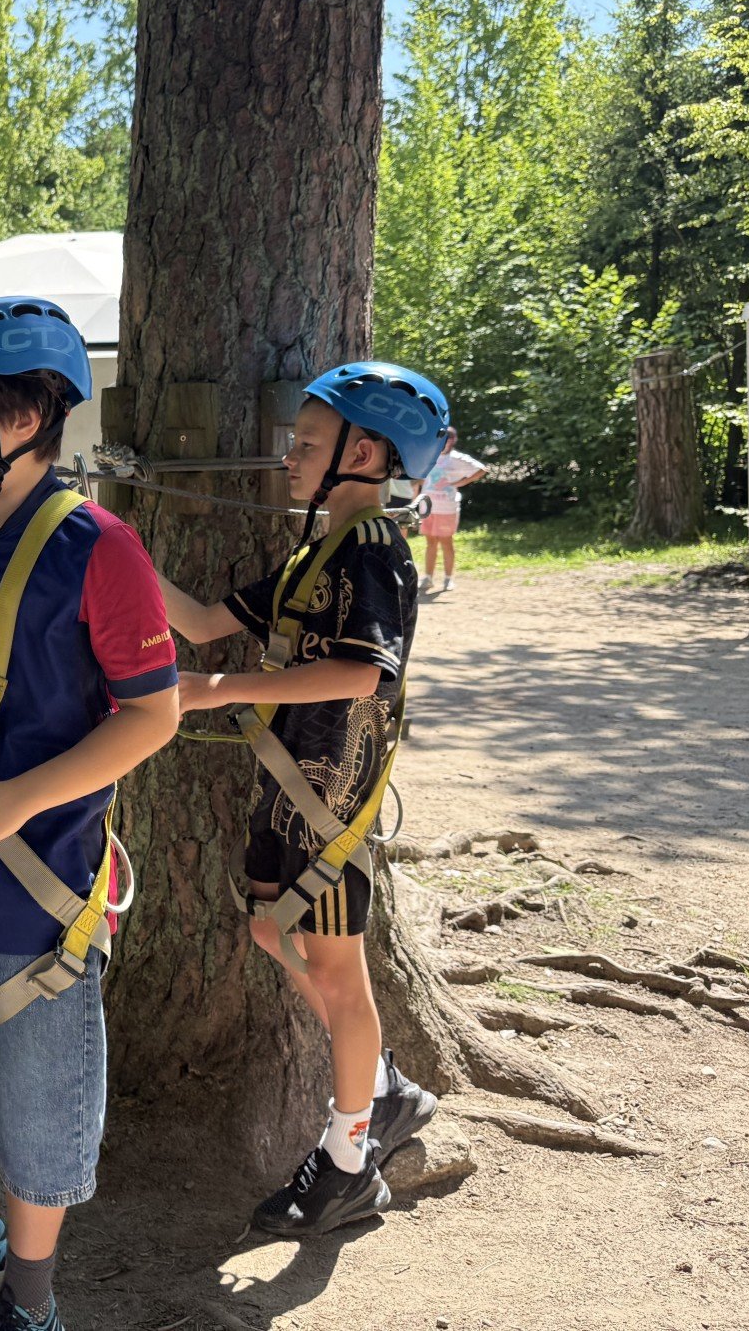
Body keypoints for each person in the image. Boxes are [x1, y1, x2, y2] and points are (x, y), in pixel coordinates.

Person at [0, 297, 181, 1331]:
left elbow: (151, 715)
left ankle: (28, 1301)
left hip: (43, 894)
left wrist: (16, 799)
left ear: (21, 421)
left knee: (38, 1111)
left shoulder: (100, 549)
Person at [156, 362, 447, 1237]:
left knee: (339, 978)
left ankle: (350, 1163)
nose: (290, 455)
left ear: (362, 454)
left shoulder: (373, 552)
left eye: (308, 443)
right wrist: (109, 546)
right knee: (269, 931)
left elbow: (362, 672)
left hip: (331, 804)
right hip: (289, 791)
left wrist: (215, 691)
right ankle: (383, 1086)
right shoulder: (313, 554)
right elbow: (201, 621)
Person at [416, 427, 487, 592]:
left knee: (446, 542)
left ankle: (448, 579)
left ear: (452, 441)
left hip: (447, 508)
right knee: (430, 542)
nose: (443, 443)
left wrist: (461, 482)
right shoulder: (429, 456)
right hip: (428, 507)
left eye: (447, 439)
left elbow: (481, 470)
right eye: (440, 439)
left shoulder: (457, 458)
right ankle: (428, 577)